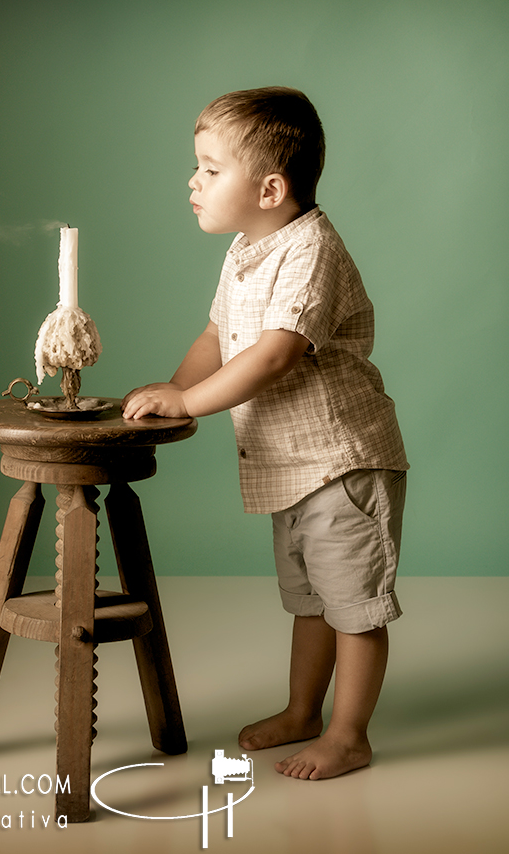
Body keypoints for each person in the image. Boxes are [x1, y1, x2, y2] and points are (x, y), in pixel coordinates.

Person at [122, 87, 409, 780]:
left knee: (353, 607)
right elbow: (218, 335)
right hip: (290, 466)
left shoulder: (310, 250)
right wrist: (173, 398)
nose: (194, 181)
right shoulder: (249, 249)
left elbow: (276, 352)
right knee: (309, 602)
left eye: (211, 170)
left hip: (342, 462)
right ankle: (303, 710)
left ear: (270, 187)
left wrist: (189, 399)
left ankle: (349, 734)